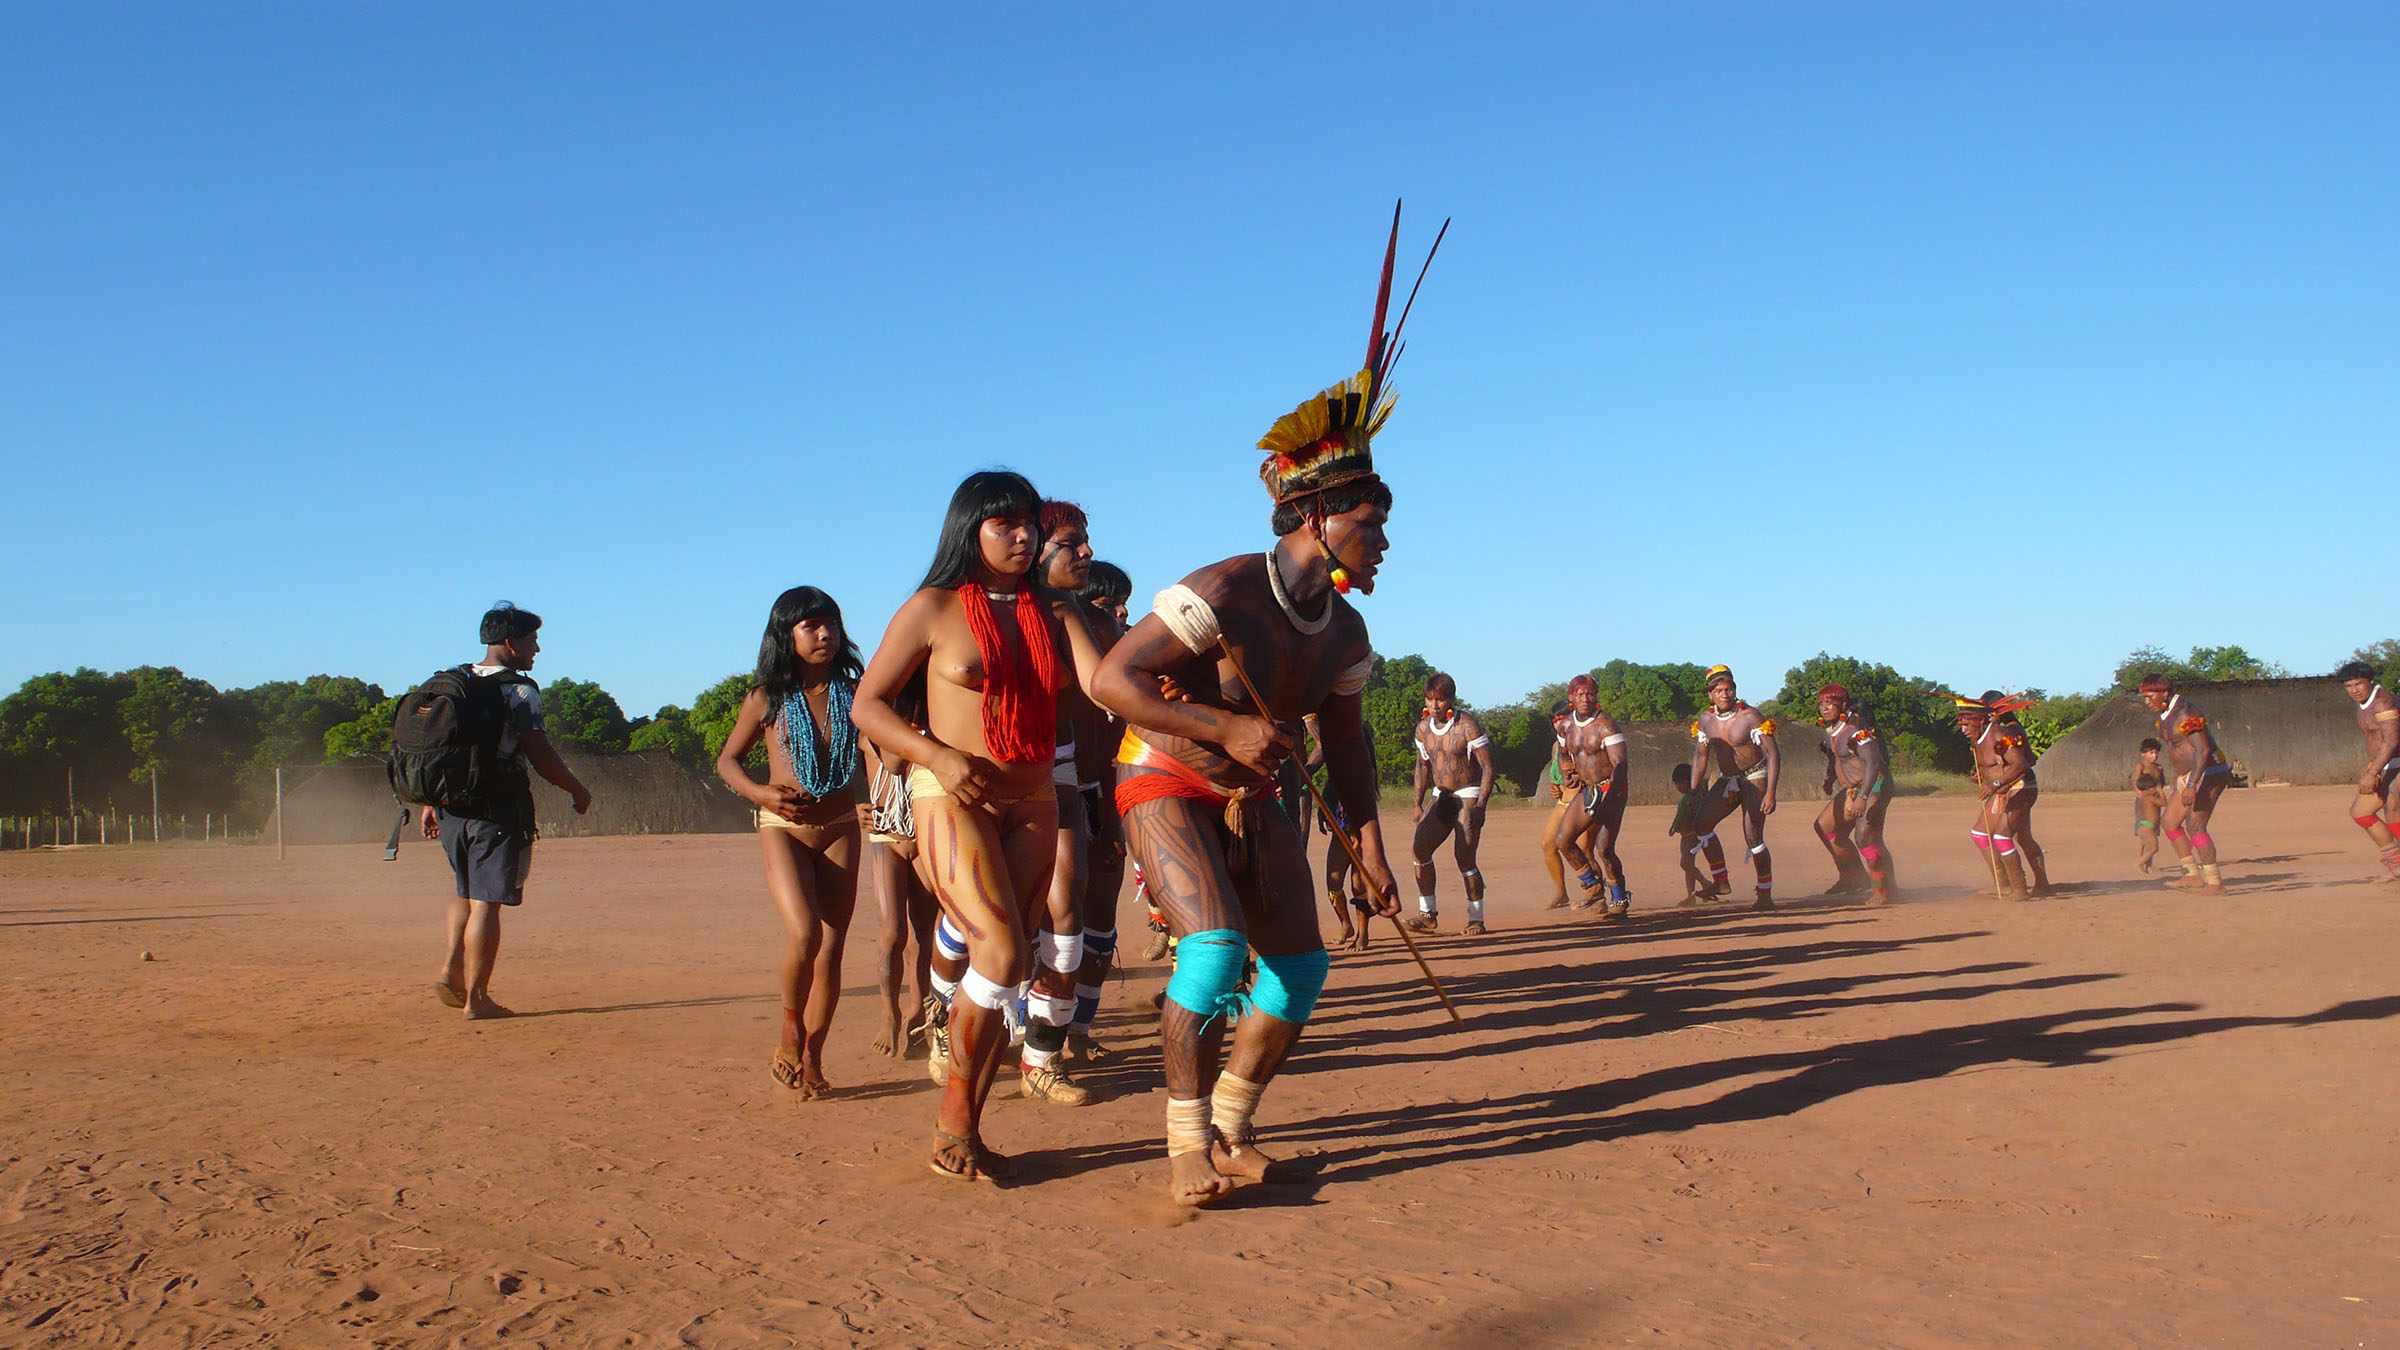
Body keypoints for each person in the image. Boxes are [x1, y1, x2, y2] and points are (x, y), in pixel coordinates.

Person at [1091, 213, 1426, 1204]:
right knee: (1212, 953)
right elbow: (1111, 682)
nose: (1383, 541)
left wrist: (1369, 847)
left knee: (1299, 971)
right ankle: (1183, 1145)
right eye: (1370, 523)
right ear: (1317, 516)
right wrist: (1226, 727)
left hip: (1258, 797)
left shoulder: (1347, 636)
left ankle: (1233, 1126)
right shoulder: (1225, 591)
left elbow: (1348, 749)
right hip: (1165, 775)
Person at [851, 470, 1110, 1183]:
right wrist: (936, 754)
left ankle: (964, 1126)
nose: (1023, 537)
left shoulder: (1057, 611)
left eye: (1030, 524)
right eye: (1005, 525)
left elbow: (1103, 685)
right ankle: (951, 1119)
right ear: (970, 530)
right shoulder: (931, 608)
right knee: (998, 952)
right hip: (950, 794)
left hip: (1035, 798)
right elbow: (869, 705)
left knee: (1013, 962)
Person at [714, 587, 875, 1099]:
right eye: (812, 626)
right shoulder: (766, 698)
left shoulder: (857, 694)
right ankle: (789, 1028)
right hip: (783, 828)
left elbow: (877, 749)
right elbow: (727, 761)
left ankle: (812, 1055)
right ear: (786, 634)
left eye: (832, 625)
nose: (826, 634)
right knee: (805, 934)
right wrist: (763, 794)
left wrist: (877, 795)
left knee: (831, 947)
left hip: (840, 826)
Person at [419, 602, 592, 1021]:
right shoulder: (519, 691)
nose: (537, 649)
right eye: (533, 640)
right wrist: (576, 788)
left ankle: (450, 968)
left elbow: (436, 748)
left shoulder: (451, 681)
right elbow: (540, 753)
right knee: (487, 903)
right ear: (511, 642)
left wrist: (429, 802)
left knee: (464, 892)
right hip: (496, 808)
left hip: (450, 807)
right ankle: (477, 998)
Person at [864, 687, 939, 1062]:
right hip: (886, 834)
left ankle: (918, 1010)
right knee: (893, 931)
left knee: (925, 937)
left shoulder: (934, 732)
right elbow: (890, 761)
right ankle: (888, 1012)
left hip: (922, 836)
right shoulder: (872, 731)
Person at [1402, 672, 1496, 934]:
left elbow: (1488, 767)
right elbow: (1422, 766)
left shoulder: (1467, 726)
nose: (1434, 705)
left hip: (1468, 794)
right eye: (1430, 699)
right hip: (1441, 795)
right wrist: (1417, 803)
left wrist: (1481, 805)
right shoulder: (1423, 729)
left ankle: (1476, 918)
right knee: (1420, 850)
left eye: (1440, 700)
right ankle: (1427, 914)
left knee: (1464, 857)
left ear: (1451, 699)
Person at [1688, 665, 1780, 910]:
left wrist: (1770, 792)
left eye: (1728, 689)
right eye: (1719, 691)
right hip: (1728, 779)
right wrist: (1693, 790)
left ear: (1735, 690)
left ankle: (1764, 893)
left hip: (1754, 777)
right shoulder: (1706, 720)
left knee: (1753, 835)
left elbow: (1773, 754)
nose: (1725, 695)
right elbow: (1701, 756)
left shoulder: (1750, 717)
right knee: (1702, 823)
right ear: (1710, 695)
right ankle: (1720, 881)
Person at [2137, 673, 2231, 894]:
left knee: (2195, 825)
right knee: (2169, 822)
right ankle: (2191, 875)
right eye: (2144, 697)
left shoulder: (2185, 713)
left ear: (2165, 693)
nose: (2147, 701)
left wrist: (2191, 784)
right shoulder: (2165, 714)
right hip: (2189, 776)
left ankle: (2215, 883)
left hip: (2208, 772)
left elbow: (2203, 750)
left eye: (2150, 696)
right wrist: (2180, 778)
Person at [1550, 673, 1632, 918]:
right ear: (1571, 697)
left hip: (1612, 789)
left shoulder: (1606, 726)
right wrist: (1567, 773)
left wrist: (1610, 799)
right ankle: (1593, 886)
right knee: (1562, 840)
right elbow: (1563, 753)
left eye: (1590, 694)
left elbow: (1620, 766)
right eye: (1580, 694)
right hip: (1589, 790)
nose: (1586, 698)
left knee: (1604, 848)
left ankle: (1619, 898)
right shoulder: (1565, 726)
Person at [1812, 684, 1897, 905]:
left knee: (1866, 837)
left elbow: (1873, 764)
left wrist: (1863, 797)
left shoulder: (1856, 730)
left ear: (1843, 705)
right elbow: (1835, 758)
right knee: (1825, 827)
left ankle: (1884, 890)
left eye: (1830, 703)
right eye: (1821, 704)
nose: (1824, 708)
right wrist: (1830, 777)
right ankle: (1852, 877)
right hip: (1853, 789)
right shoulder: (1831, 731)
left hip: (1875, 784)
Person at [1951, 691, 2040, 900]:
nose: (1963, 730)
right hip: (2001, 791)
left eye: (1967, 725)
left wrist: (1995, 783)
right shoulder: (1979, 739)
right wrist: (1983, 775)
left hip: (2020, 788)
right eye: (1961, 725)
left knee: (2002, 836)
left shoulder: (2001, 735)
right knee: (1980, 834)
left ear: (1981, 720)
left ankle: (2020, 887)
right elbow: (1995, 764)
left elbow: (2021, 764)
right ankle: (2003, 884)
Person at [2337, 660, 2400, 881]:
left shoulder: (2383, 703)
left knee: (2389, 815)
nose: (2354, 690)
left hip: (2396, 764)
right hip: (2386, 766)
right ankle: (2396, 863)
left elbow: (2391, 741)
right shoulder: (2365, 703)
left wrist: (2372, 773)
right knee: (2366, 813)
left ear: (2370, 681)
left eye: (2358, 684)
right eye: (2349, 686)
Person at [1666, 764, 1712, 902]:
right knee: (1688, 866)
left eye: (1681, 783)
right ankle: (1691, 896)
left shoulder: (1695, 798)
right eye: (1676, 784)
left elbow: (1698, 818)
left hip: (1693, 835)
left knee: (1685, 863)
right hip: (1685, 836)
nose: (1678, 787)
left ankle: (1706, 883)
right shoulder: (1688, 797)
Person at [2133, 738, 2170, 874]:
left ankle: (2149, 863)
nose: (2154, 755)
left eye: (2156, 753)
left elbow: (2161, 783)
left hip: (2155, 801)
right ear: (2143, 753)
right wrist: (2142, 796)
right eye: (2151, 753)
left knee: (2153, 831)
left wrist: (2157, 794)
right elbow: (2136, 782)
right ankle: (2140, 860)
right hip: (2144, 802)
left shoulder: (2159, 768)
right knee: (2143, 833)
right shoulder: (2141, 766)